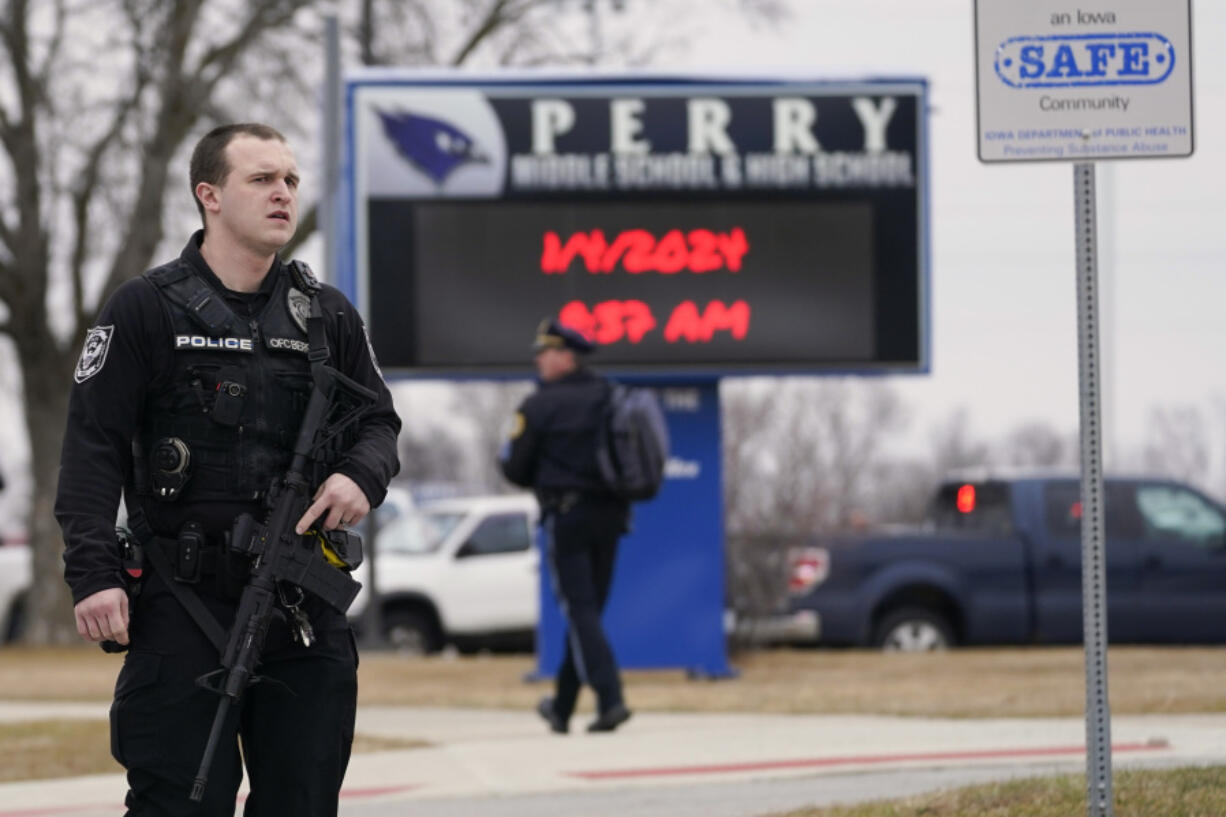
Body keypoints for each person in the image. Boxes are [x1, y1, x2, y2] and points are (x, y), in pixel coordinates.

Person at [55, 123, 401, 816]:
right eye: (262, 179)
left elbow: (378, 422)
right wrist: (92, 574)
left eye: (291, 180)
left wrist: (359, 475)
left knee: (302, 799)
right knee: (180, 799)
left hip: (302, 602)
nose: (283, 194)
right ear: (208, 195)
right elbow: (92, 445)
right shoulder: (146, 308)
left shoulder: (326, 315)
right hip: (182, 601)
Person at [499, 318, 632, 734]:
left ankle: (611, 699)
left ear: (566, 356)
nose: (539, 360)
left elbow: (517, 470)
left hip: (567, 516)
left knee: (580, 610)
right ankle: (561, 706)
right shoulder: (610, 396)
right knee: (588, 613)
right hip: (612, 516)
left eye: (546, 352)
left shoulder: (539, 405)